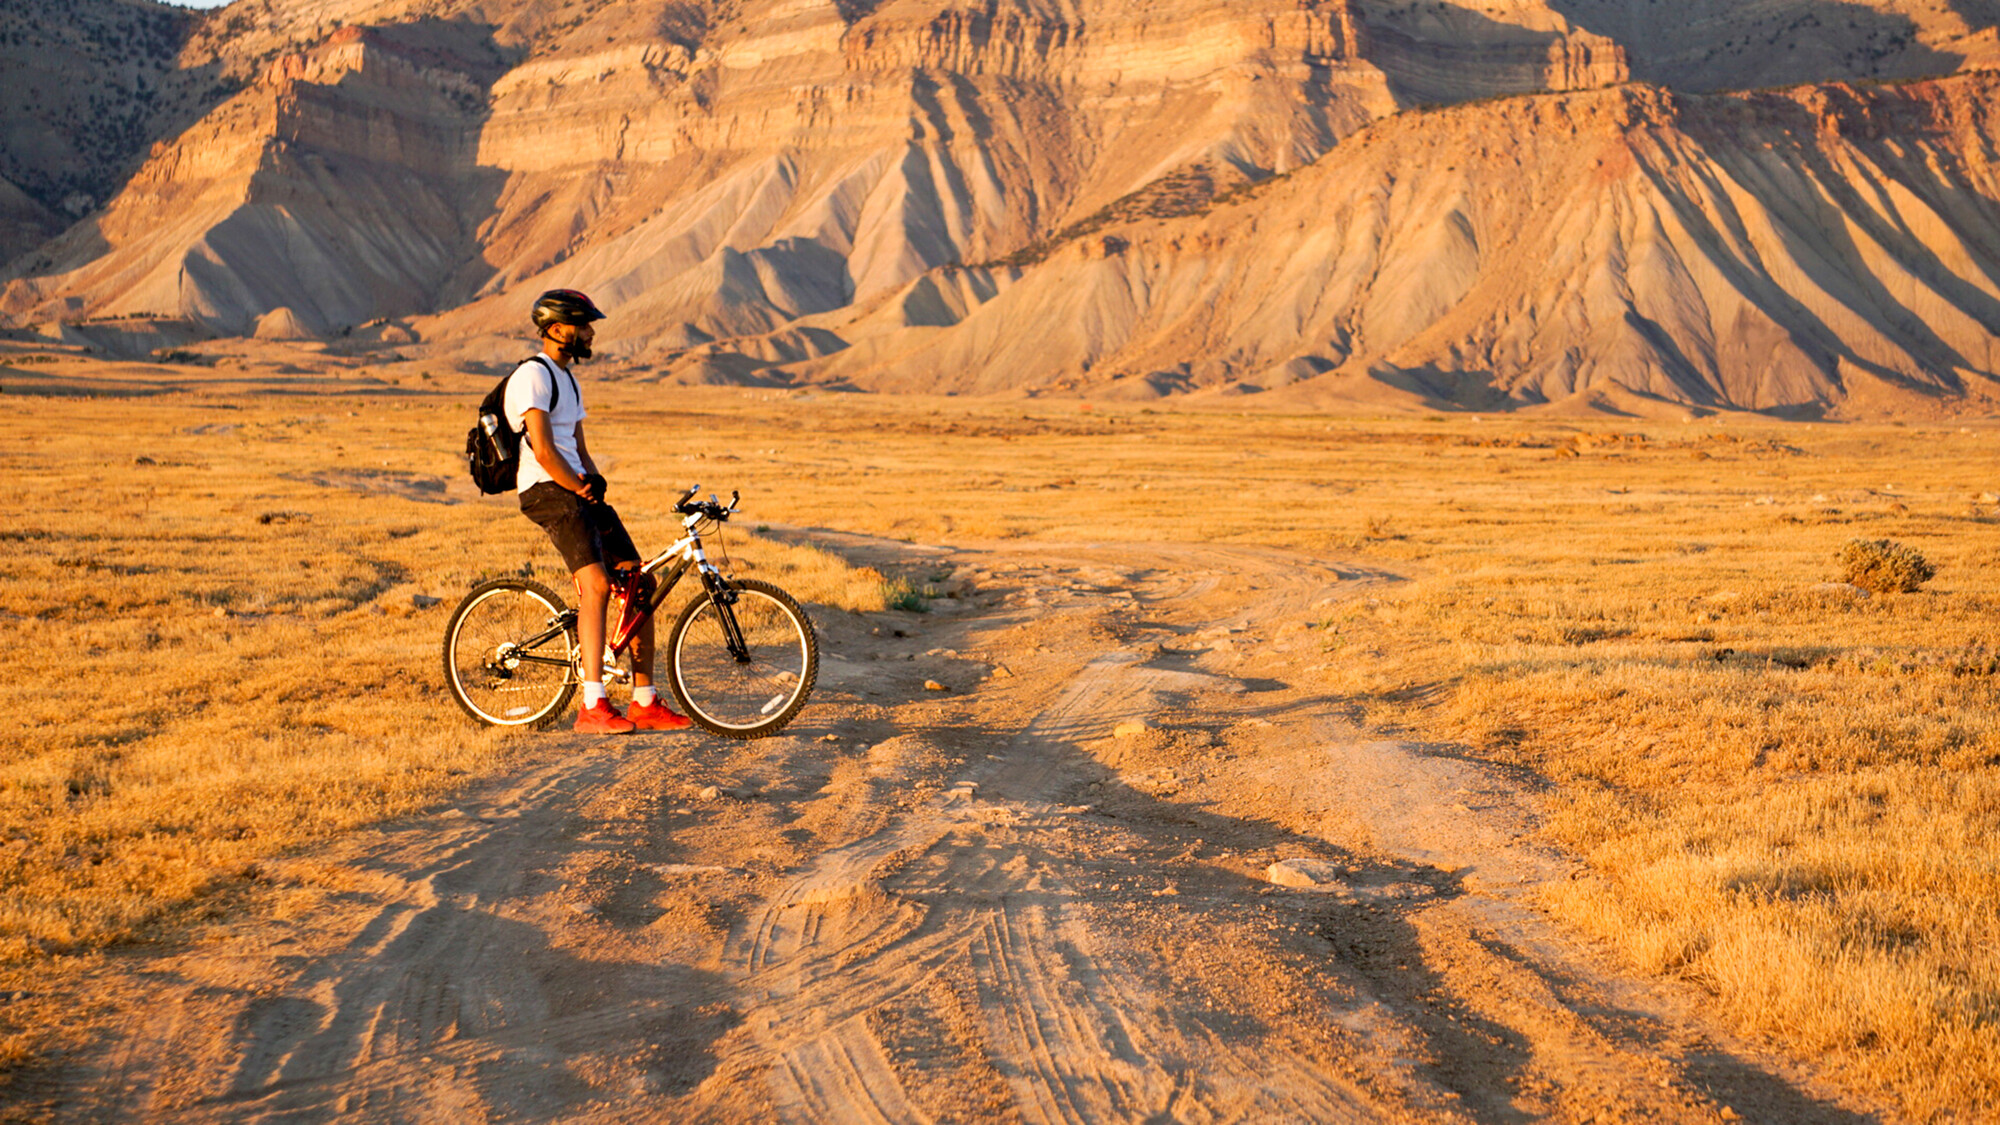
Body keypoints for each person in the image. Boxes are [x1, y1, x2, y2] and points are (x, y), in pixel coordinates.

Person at [505, 288, 688, 734]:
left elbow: (577, 447)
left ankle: (644, 701)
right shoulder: (532, 376)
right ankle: (592, 706)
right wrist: (578, 485)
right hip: (546, 490)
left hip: (575, 487)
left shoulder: (568, 379)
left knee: (640, 579)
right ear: (556, 330)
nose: (590, 333)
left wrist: (593, 480)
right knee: (598, 584)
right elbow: (545, 451)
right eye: (583, 325)